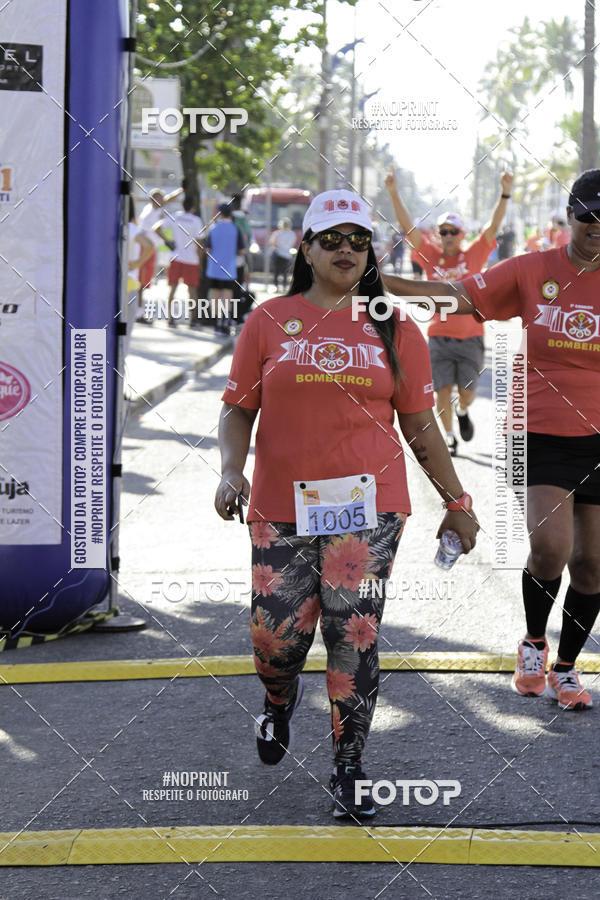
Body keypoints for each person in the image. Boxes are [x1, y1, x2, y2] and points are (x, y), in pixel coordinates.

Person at [214, 189, 479, 820]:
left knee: (350, 631)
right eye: (331, 238)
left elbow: (420, 422)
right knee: (276, 637)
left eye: (358, 239)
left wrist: (457, 499)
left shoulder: (394, 326)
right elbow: (238, 408)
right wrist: (230, 469)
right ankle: (278, 701)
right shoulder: (269, 320)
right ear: (306, 249)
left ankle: (350, 765)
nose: (346, 249)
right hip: (281, 503)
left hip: (369, 504)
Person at [384, 169, 600, 711]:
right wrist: (383, 282)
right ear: (570, 217)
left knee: (593, 564)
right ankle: (534, 643)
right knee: (551, 548)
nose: (596, 227)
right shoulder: (533, 269)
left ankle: (566, 669)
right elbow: (456, 296)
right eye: (588, 217)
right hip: (542, 429)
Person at [385, 165, 513, 455]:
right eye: (443, 231)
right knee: (441, 390)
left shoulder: (474, 255)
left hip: (471, 338)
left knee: (466, 393)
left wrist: (504, 193)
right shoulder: (430, 255)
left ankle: (463, 412)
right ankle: (450, 435)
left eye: (453, 231)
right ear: (438, 235)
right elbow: (409, 229)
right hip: (439, 337)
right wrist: (393, 193)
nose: (448, 236)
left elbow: (493, 227)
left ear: (462, 234)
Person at [137, 186, 183, 322]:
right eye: (161, 199)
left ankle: (139, 312)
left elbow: (169, 199)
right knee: (142, 282)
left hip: (149, 249)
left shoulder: (151, 208)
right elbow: (154, 230)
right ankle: (139, 314)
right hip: (146, 249)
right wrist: (167, 241)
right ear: (155, 200)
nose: (164, 201)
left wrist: (181, 190)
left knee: (144, 281)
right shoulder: (151, 212)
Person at [206, 202, 246, 336]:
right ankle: (225, 322)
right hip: (229, 269)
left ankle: (217, 324)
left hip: (214, 268)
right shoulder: (236, 229)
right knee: (227, 297)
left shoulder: (213, 228)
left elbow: (208, 249)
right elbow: (242, 250)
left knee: (215, 296)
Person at [166, 198, 204, 327]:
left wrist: (168, 242)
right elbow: (199, 242)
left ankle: (170, 318)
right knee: (192, 290)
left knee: (173, 288)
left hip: (176, 257)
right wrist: (200, 261)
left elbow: (157, 228)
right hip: (191, 259)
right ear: (193, 207)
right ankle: (193, 320)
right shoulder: (196, 220)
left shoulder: (175, 216)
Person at [125, 199, 153, 355]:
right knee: (125, 335)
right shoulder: (131, 228)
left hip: (110, 284)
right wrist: (137, 263)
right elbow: (149, 245)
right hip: (129, 284)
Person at [269, 217, 296, 291]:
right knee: (285, 272)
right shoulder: (292, 234)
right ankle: (285, 287)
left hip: (278, 254)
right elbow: (293, 243)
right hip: (288, 255)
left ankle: (276, 287)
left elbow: (272, 243)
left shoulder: (277, 233)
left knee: (276, 272)